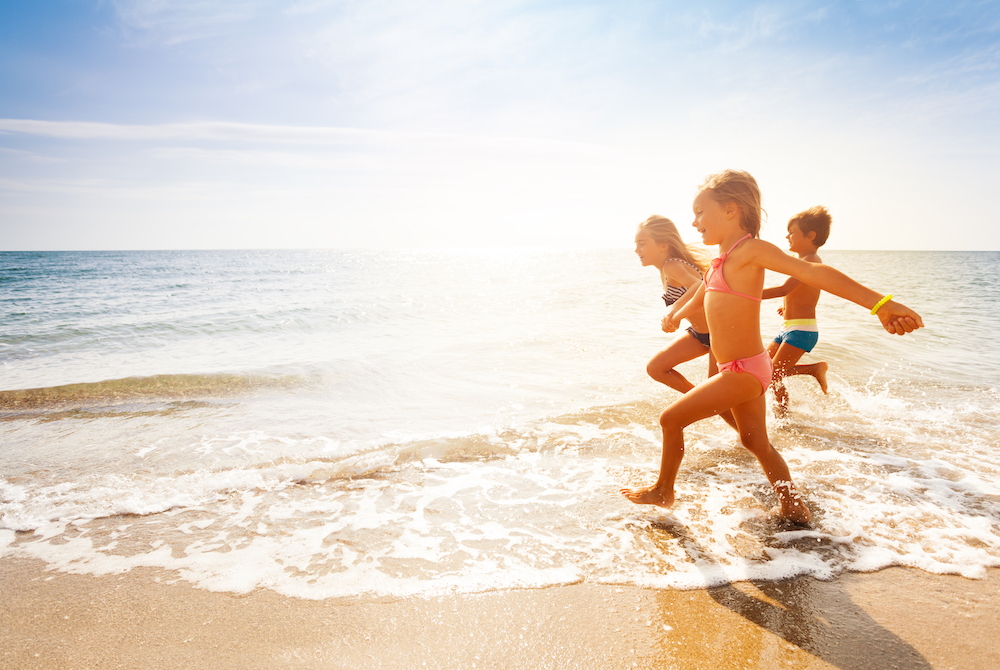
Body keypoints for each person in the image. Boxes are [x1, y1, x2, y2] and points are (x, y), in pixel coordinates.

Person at [620, 170, 923, 524]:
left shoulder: (751, 250)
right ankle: (793, 505)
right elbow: (704, 290)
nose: (694, 221)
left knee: (670, 419)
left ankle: (663, 490)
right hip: (740, 368)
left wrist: (881, 304)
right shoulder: (723, 256)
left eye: (701, 212)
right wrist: (677, 315)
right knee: (755, 443)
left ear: (730, 209)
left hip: (745, 370)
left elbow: (815, 274)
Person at [634, 216, 737, 430]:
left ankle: (749, 438)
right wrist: (676, 314)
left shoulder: (671, 265)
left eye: (642, 243)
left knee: (716, 393)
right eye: (636, 244)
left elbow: (700, 284)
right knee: (656, 368)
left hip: (718, 333)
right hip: (700, 334)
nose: (637, 249)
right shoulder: (667, 268)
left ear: (664, 245)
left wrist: (675, 312)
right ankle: (702, 400)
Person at [762, 206, 832, 415]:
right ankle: (781, 415)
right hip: (789, 327)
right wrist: (787, 308)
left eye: (791, 232)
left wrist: (743, 294)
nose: (787, 236)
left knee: (772, 374)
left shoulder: (811, 261)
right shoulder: (803, 261)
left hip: (802, 331)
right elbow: (799, 293)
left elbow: (784, 289)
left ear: (810, 236)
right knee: (765, 369)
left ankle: (784, 415)